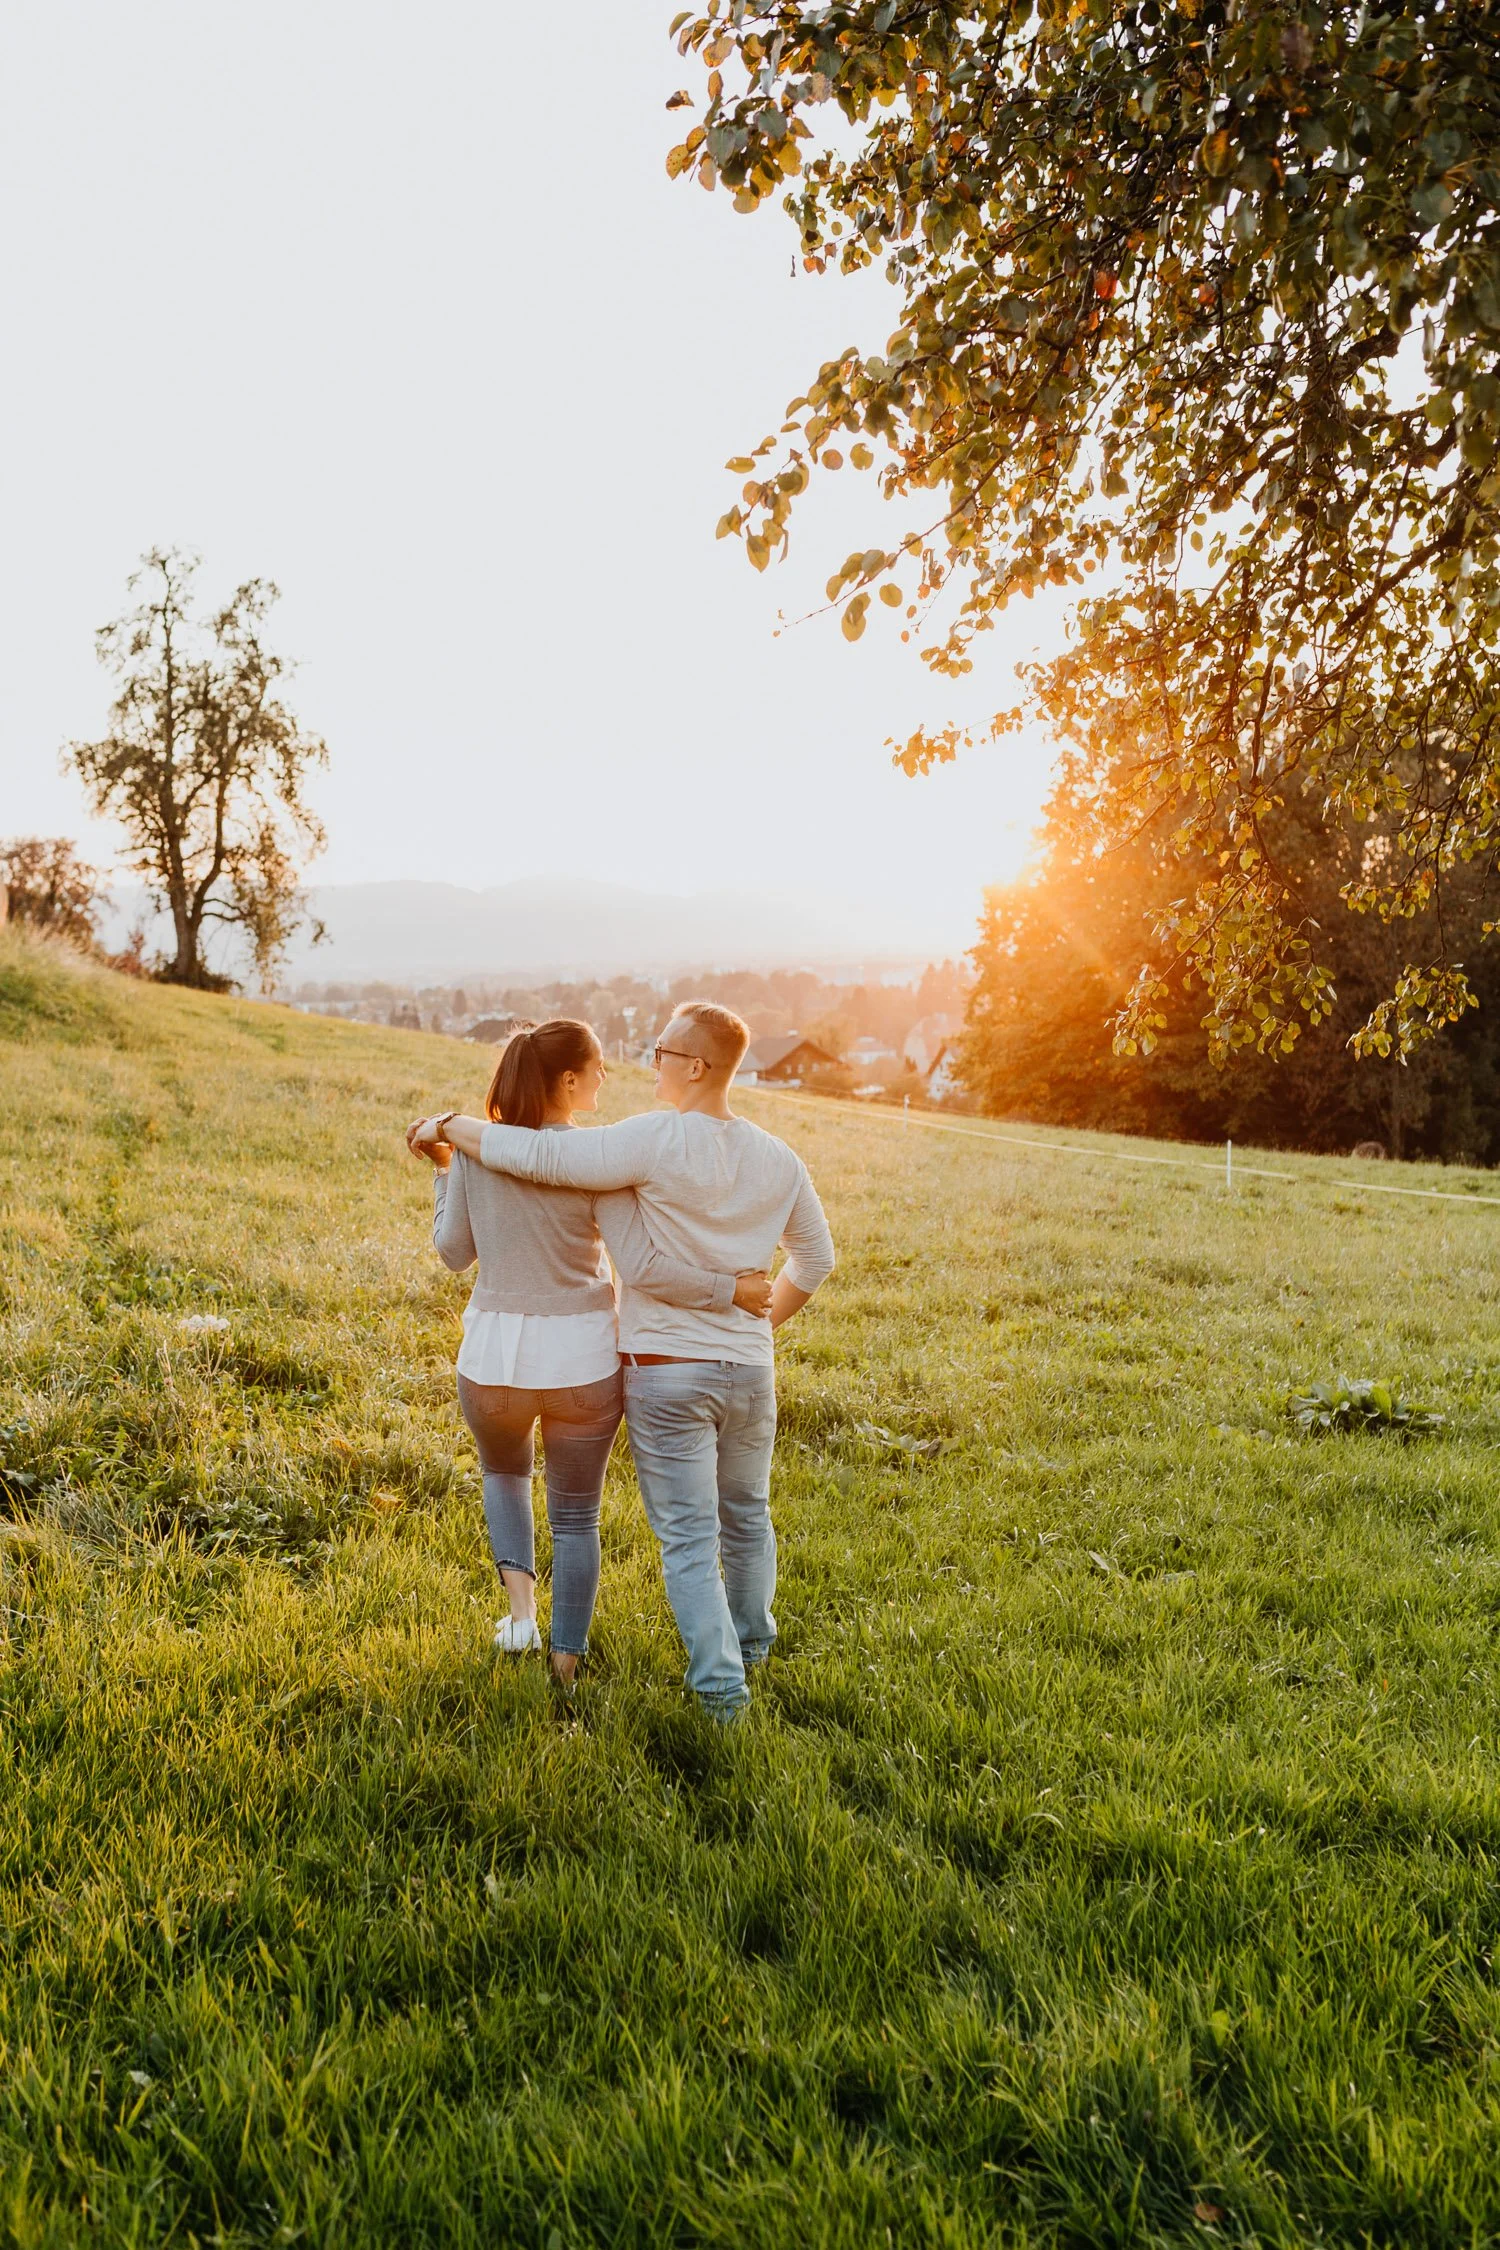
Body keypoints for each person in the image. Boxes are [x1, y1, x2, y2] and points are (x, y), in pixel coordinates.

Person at [408, 1000, 835, 1721]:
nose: (648, 1062)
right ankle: (732, 1650)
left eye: (662, 1051)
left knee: (681, 1534)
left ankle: (713, 1690)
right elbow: (815, 1259)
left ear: (695, 1065)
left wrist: (451, 1134)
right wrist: (752, 1320)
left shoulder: (645, 1141)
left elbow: (533, 1166)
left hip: (642, 1366)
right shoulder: (778, 1156)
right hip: (723, 1368)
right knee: (741, 1515)